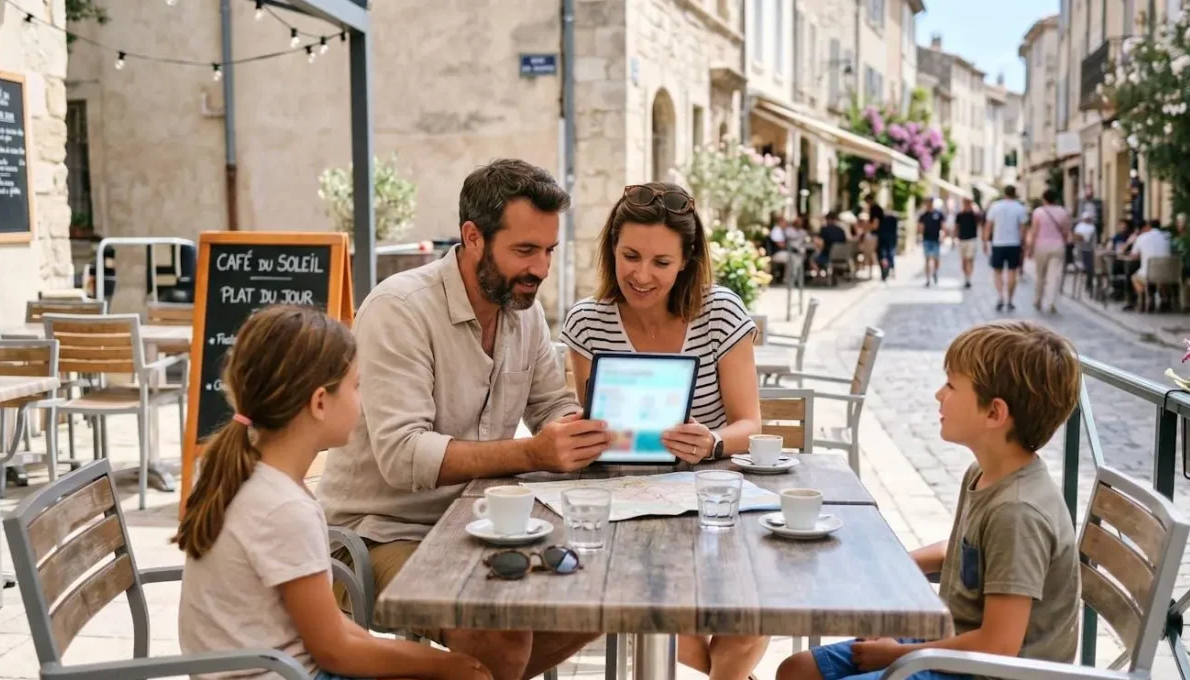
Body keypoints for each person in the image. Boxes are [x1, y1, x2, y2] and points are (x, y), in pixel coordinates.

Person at [318, 159, 606, 680]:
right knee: (499, 632)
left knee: (594, 601)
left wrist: (586, 428)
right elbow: (404, 455)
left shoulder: (526, 310)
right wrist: (533, 453)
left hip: (479, 522)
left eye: (548, 251)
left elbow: (550, 406)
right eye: (524, 250)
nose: (540, 269)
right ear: (473, 237)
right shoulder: (399, 309)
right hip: (377, 533)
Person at [176, 305, 491, 680]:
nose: (362, 400)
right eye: (356, 386)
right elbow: (334, 650)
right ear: (320, 402)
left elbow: (333, 632)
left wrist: (436, 663)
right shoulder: (282, 508)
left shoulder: (259, 480)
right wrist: (444, 665)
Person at [777, 320, 1082, 680]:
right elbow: (961, 549)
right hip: (950, 643)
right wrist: (887, 568)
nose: (939, 394)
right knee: (797, 669)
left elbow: (999, 646)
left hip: (984, 671)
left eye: (951, 385)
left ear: (994, 413)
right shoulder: (984, 473)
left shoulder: (1017, 512)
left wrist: (898, 655)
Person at [561, 183, 766, 680]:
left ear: (686, 261)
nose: (642, 275)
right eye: (630, 255)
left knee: (753, 618)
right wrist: (580, 431)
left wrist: (712, 440)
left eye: (661, 262)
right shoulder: (588, 323)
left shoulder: (719, 313)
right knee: (675, 630)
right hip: (629, 506)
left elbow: (749, 424)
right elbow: (590, 423)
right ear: (612, 248)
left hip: (711, 499)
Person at [983, 186, 1029, 312]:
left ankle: (1001, 296)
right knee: (1012, 272)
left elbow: (988, 225)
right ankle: (1010, 300)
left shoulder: (995, 206)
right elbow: (1023, 228)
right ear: (1015, 194)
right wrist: (1024, 243)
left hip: (998, 243)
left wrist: (985, 241)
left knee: (997, 272)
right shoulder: (1020, 208)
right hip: (1014, 244)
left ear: (1004, 193)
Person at [1027, 189, 1072, 314]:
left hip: (1041, 246)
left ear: (1044, 199)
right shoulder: (1063, 212)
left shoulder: (1038, 212)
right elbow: (1066, 231)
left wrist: (1030, 248)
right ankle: (1051, 301)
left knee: (1040, 275)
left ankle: (1037, 300)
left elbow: (1034, 231)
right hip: (1057, 246)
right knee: (1054, 276)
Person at [1125, 217, 1173, 311]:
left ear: (1148, 226)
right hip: (1169, 273)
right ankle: (1165, 300)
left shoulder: (1141, 238)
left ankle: (1144, 298)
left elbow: (1134, 256)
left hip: (1149, 273)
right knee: (1161, 278)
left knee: (1134, 277)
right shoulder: (1167, 236)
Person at [952, 198, 981, 289]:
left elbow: (980, 224)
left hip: (972, 239)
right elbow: (956, 227)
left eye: (968, 203)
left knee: (969, 259)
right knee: (964, 261)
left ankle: (968, 279)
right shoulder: (960, 215)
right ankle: (966, 277)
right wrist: (954, 239)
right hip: (962, 240)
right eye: (965, 203)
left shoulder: (975, 215)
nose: (967, 205)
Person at [918, 199, 946, 287]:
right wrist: (920, 237)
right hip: (926, 239)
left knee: (936, 259)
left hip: (936, 239)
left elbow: (943, 226)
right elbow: (920, 227)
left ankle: (935, 272)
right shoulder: (923, 215)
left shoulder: (939, 214)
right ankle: (928, 279)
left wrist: (943, 236)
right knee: (927, 259)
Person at [869, 197, 896, 282]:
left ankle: (885, 269)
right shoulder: (894, 218)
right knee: (889, 253)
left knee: (882, 254)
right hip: (891, 239)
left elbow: (875, 226)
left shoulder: (881, 218)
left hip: (882, 237)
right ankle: (889, 268)